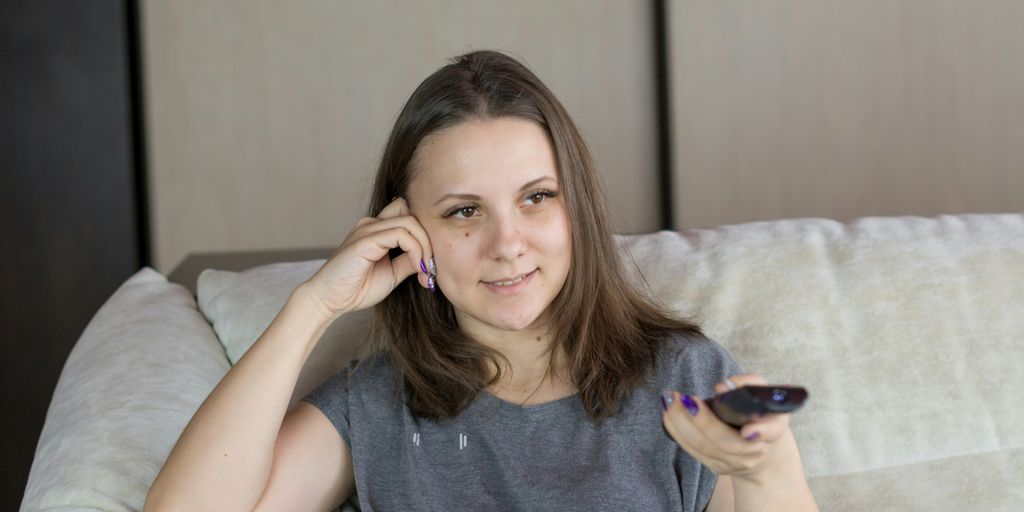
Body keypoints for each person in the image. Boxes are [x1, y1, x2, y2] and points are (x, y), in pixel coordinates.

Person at [145, 50, 819, 512]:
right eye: (465, 212)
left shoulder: (685, 379)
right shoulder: (375, 407)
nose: (508, 245)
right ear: (407, 231)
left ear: (575, 207)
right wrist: (312, 306)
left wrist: (766, 467)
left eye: (536, 198)